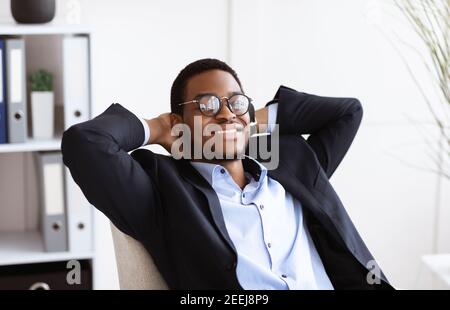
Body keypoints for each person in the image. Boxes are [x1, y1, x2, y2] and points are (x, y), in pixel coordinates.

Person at [61, 58, 393, 290]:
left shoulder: (292, 162)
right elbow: (84, 142)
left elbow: (347, 112)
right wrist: (160, 127)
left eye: (234, 102)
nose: (223, 113)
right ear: (180, 124)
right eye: (205, 105)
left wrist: (243, 119)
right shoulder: (162, 192)